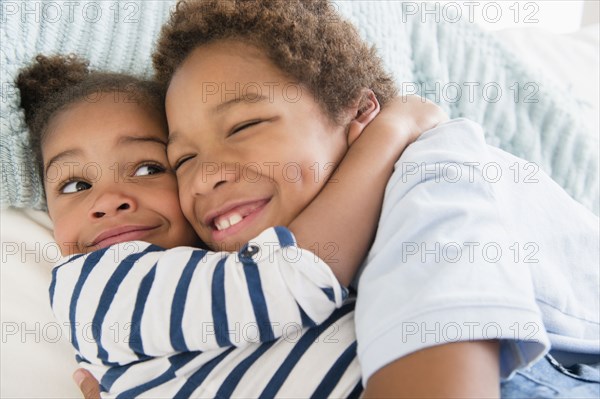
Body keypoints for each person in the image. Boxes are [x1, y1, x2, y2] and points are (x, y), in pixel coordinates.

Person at [77, 0, 599, 397]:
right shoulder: (223, 281)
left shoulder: (431, 173)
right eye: (182, 160)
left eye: (245, 124)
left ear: (359, 115)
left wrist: (395, 128)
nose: (205, 176)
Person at [17, 53, 444, 397]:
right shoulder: (94, 287)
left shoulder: (226, 260)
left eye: (148, 169)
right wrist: (392, 128)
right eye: (75, 184)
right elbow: (293, 279)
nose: (108, 200)